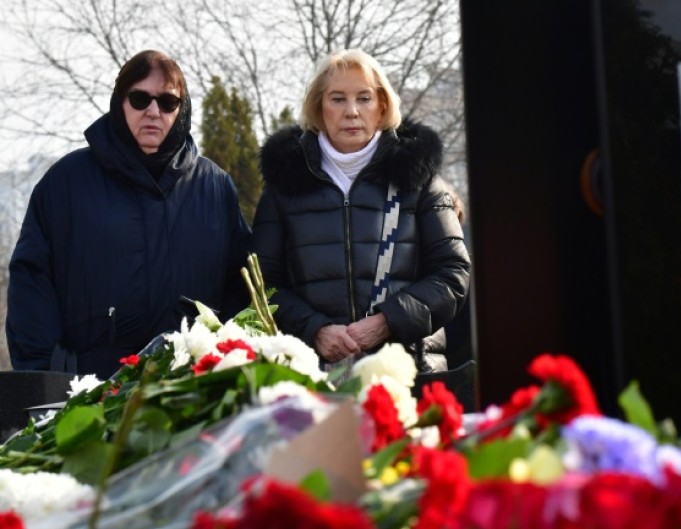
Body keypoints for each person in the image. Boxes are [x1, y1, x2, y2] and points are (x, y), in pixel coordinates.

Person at [7, 50, 251, 379]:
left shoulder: (215, 187)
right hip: (88, 395)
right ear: (120, 101)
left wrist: (231, 367)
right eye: (140, 99)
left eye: (167, 102)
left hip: (191, 392)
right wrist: (46, 378)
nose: (153, 112)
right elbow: (31, 286)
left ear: (181, 109)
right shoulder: (66, 183)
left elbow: (242, 289)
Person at [251, 49, 471, 375]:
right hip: (314, 376)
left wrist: (386, 322)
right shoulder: (283, 186)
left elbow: (453, 274)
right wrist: (316, 330)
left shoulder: (420, 178)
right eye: (337, 99)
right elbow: (261, 286)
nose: (352, 111)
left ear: (382, 105)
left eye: (364, 98)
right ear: (318, 107)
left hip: (410, 374)